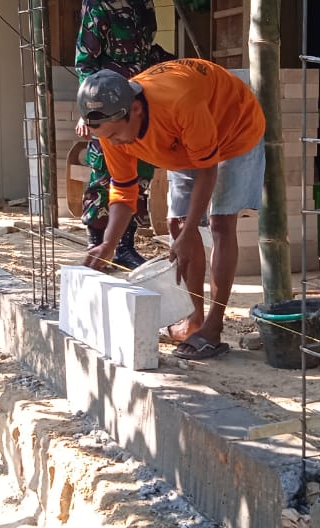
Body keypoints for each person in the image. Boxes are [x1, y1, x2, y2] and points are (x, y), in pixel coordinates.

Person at [79, 59, 265, 360]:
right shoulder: (112, 129)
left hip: (234, 128)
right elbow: (124, 189)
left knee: (219, 223)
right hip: (183, 142)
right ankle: (193, 319)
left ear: (135, 110)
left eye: (114, 136)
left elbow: (207, 170)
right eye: (105, 137)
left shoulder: (179, 103)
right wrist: (109, 244)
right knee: (177, 225)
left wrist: (193, 228)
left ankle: (213, 327)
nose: (112, 143)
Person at [75, 0, 175, 269]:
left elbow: (149, 51)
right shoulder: (97, 0)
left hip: (140, 104)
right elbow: (86, 61)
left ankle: (125, 247)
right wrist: (90, 112)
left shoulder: (145, 2)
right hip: (106, 103)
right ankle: (97, 245)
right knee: (104, 176)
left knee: (139, 174)